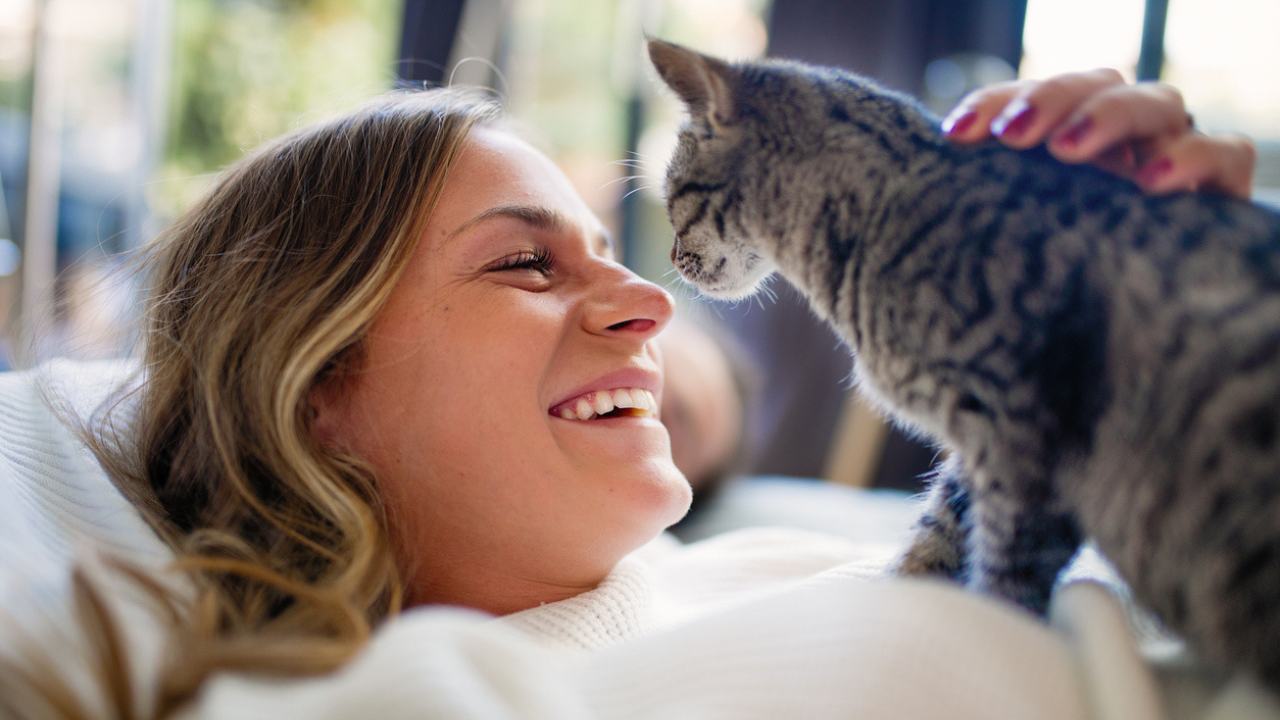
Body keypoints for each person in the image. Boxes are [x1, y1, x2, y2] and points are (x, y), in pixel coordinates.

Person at [0, 70, 1259, 719]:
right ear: (315, 382)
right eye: (523, 262)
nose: (651, 304)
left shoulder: (775, 569)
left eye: (615, 258)